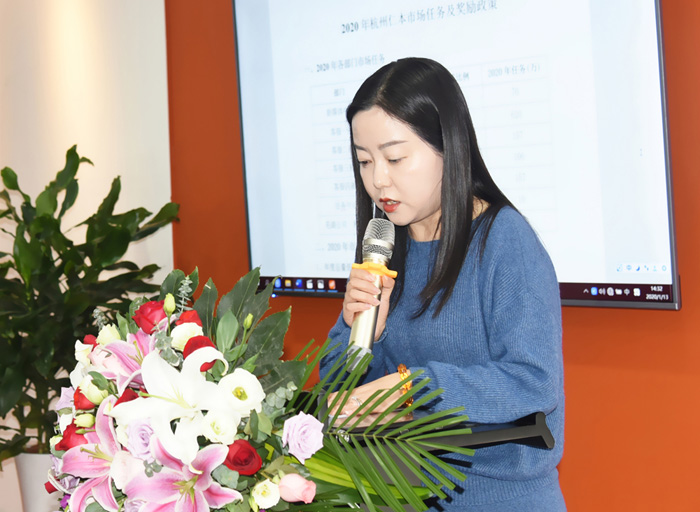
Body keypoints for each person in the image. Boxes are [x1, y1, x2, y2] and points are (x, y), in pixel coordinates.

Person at [319, 57, 566, 511]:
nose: (377, 179)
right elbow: (338, 397)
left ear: (448, 147)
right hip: (397, 492)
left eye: (395, 158)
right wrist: (359, 335)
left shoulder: (505, 240)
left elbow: (535, 383)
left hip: (500, 499)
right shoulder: (384, 246)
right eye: (364, 161)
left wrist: (413, 389)